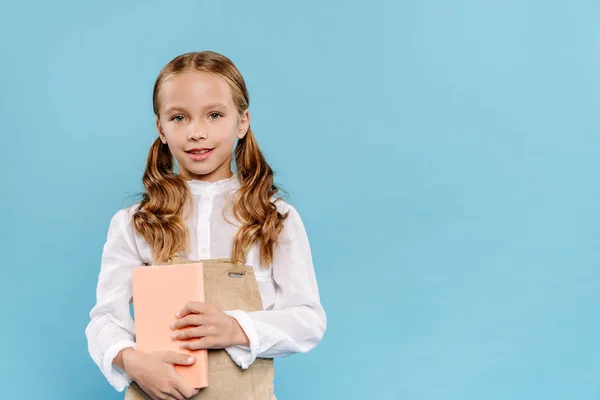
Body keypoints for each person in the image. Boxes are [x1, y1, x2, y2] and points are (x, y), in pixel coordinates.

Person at [85, 50, 327, 400]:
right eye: (179, 117)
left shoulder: (275, 218)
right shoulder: (135, 222)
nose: (196, 132)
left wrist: (235, 328)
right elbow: (105, 319)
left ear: (242, 121)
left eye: (214, 115)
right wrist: (131, 360)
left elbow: (308, 320)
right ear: (161, 128)